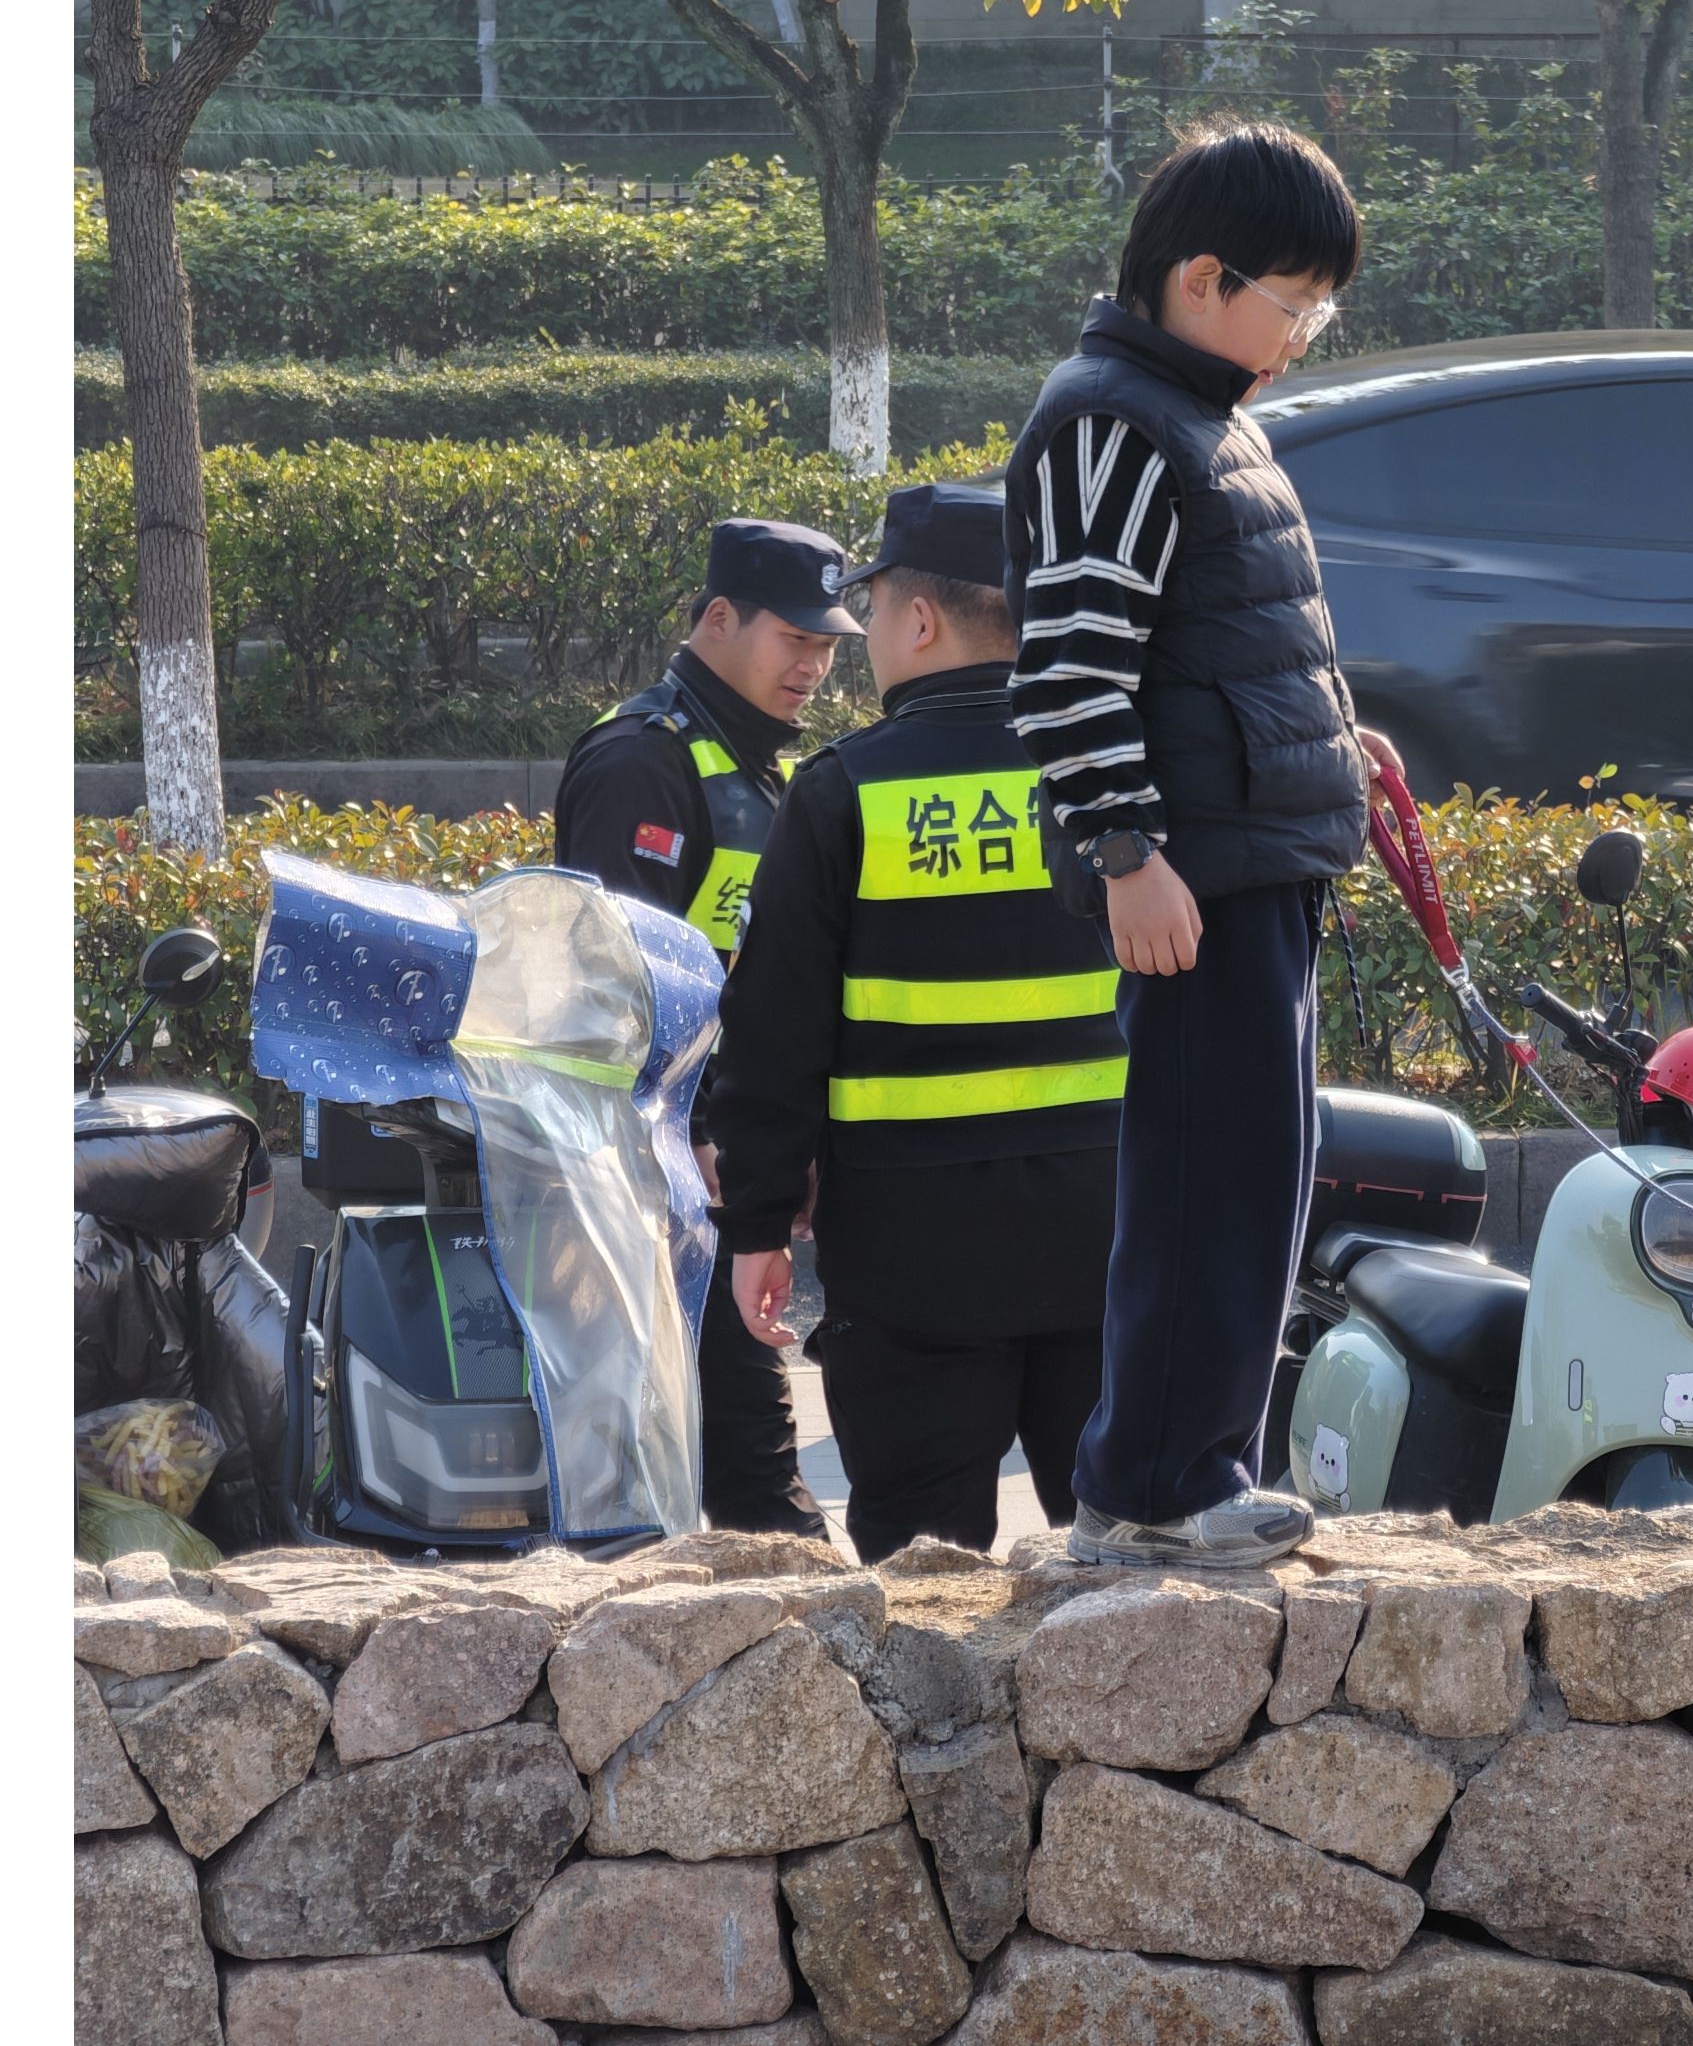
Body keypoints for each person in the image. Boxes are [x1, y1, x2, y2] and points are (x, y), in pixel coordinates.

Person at [1004, 121, 1369, 1567]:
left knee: (1254, 1168)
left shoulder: (1197, 412)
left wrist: (1338, 745)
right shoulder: (1113, 420)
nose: (1301, 336)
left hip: (1243, 850)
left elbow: (1228, 645)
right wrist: (1123, 846)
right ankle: (1155, 1483)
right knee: (1206, 1173)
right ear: (1202, 278)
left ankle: (1190, 1464)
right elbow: (1072, 669)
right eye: (1295, 305)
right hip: (1190, 866)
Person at [707, 483, 1127, 1560]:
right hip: (1109, 1239)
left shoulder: (844, 791)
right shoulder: (1112, 779)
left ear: (923, 619)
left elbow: (774, 1034)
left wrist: (758, 1224)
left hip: (910, 1259)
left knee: (922, 1570)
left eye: (878, 609)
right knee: (1125, 1556)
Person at [550, 514, 857, 1534]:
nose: (814, 665)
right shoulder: (642, 763)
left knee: (730, 1465)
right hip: (666, 1179)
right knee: (742, 1474)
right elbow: (614, 994)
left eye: (827, 646)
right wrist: (698, 1137)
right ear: (719, 619)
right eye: (795, 639)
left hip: (721, 1169)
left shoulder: (762, 766)